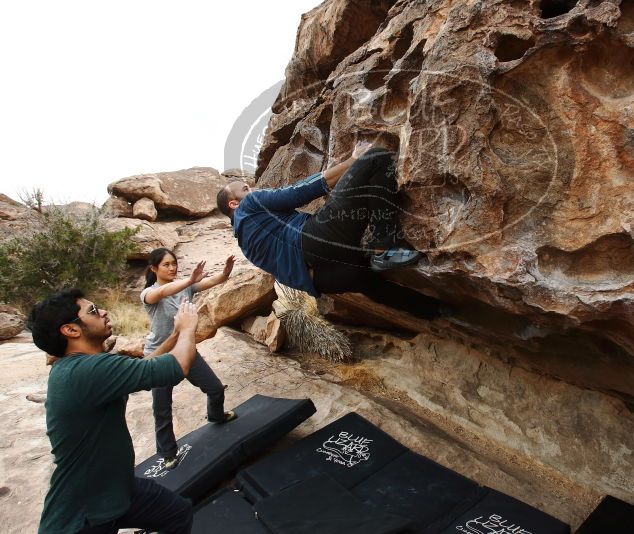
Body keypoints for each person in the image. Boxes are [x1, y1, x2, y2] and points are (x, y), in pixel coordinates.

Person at [28, 288, 198, 534]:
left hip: (114, 489)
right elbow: (178, 366)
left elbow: (144, 367)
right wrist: (189, 326)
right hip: (82, 515)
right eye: (93, 311)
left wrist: (175, 335)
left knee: (177, 513)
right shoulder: (88, 371)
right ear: (71, 330)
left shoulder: (81, 367)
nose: (104, 312)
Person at [216, 141, 440, 319]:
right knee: (376, 157)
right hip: (315, 241)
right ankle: (383, 247)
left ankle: (435, 311)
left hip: (321, 279)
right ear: (234, 204)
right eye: (246, 188)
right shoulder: (251, 203)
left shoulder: (245, 244)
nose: (252, 188)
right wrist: (352, 160)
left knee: (369, 280)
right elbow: (300, 191)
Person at [141, 248, 237, 470]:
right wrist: (189, 281)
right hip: (160, 356)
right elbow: (162, 293)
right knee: (162, 407)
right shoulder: (148, 293)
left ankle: (216, 416)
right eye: (166, 264)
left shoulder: (187, 286)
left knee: (215, 389)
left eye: (173, 263)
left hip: (185, 349)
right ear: (153, 268)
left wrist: (225, 273)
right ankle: (167, 453)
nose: (172, 267)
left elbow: (215, 280)